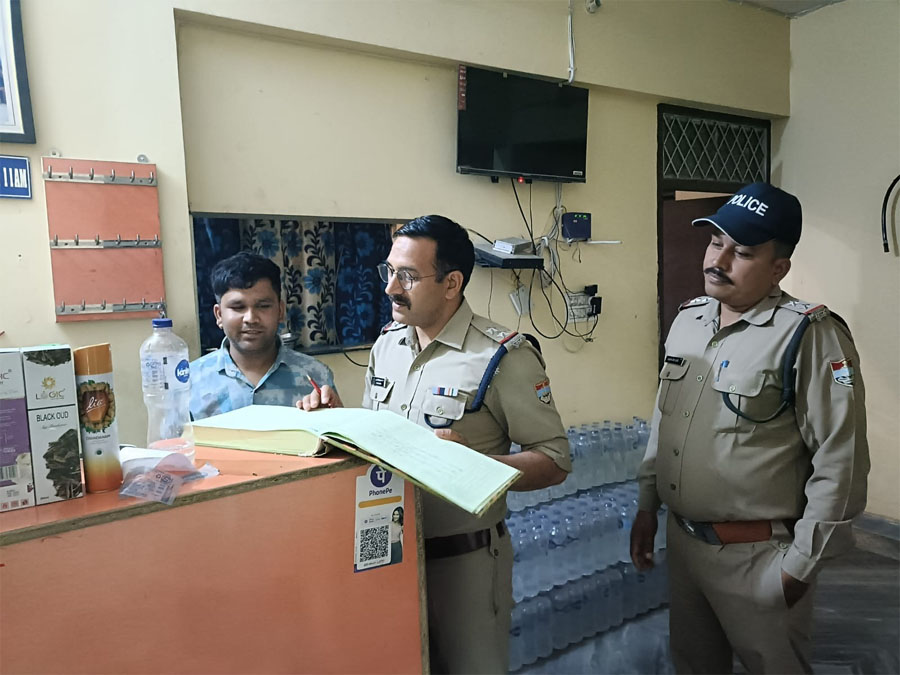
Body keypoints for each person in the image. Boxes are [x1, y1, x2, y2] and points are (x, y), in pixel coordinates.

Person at [300, 215, 571, 674]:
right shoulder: (387, 345)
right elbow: (378, 444)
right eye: (389, 271)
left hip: (462, 563)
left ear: (451, 283)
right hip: (387, 553)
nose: (391, 288)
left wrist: (477, 464)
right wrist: (336, 422)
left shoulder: (501, 356)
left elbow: (556, 460)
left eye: (407, 276)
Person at [630, 182, 870, 674]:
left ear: (779, 268)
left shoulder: (809, 334)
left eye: (741, 252)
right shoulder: (689, 320)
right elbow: (665, 422)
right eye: (715, 242)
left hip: (758, 556)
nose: (717, 261)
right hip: (684, 545)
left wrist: (799, 566)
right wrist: (647, 505)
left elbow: (841, 460)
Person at [190, 251, 336, 420]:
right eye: (238, 307)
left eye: (263, 306)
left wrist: (334, 418)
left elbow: (336, 433)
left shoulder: (316, 374)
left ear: (280, 311)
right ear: (219, 315)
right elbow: (172, 437)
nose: (251, 318)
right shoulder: (189, 382)